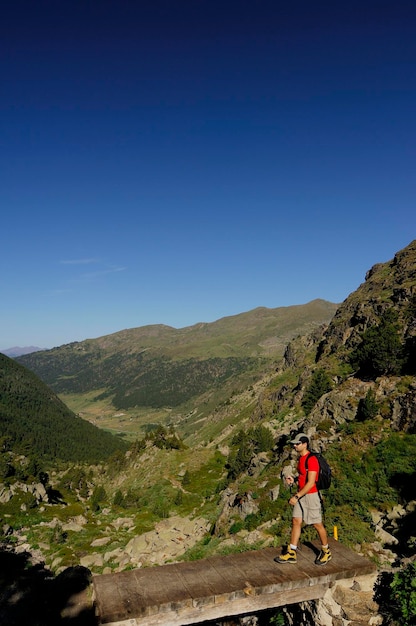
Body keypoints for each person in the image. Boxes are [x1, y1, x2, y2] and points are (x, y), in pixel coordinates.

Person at [275, 433, 332, 566]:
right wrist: (294, 480)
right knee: (296, 521)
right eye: (294, 444)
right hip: (302, 494)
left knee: (317, 524)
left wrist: (296, 496)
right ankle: (291, 552)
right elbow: (303, 477)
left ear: (305, 444)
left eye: (297, 443)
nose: (294, 446)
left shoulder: (311, 459)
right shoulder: (302, 459)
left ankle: (326, 551)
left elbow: (311, 482)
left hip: (310, 496)